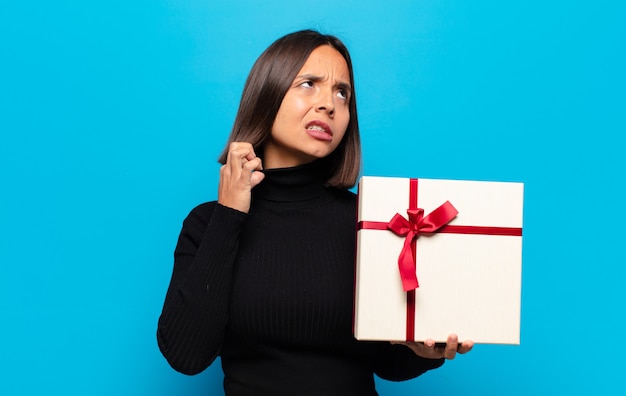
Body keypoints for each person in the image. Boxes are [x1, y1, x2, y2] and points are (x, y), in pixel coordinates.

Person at [157, 29, 473, 395]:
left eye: (343, 93)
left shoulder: (371, 224)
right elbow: (187, 355)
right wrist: (230, 214)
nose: (329, 104)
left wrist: (424, 351)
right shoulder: (208, 223)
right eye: (309, 83)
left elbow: (386, 363)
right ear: (267, 93)